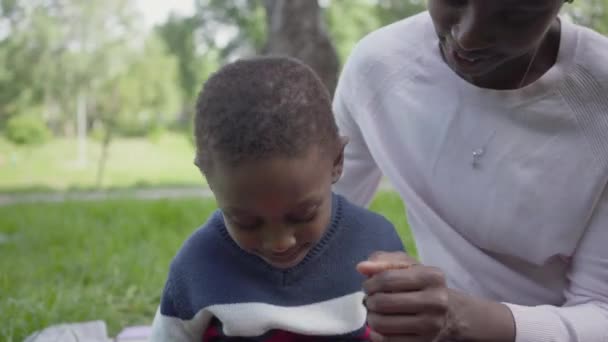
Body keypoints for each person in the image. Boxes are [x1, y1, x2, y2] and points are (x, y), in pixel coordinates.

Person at [333, 0, 608, 341]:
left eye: (514, 12)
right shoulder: (378, 69)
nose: (468, 38)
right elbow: (318, 220)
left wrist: (459, 319)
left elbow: (602, 310)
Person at [149, 56, 405, 341]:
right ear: (208, 178)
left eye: (302, 215)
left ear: (337, 160)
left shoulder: (375, 245)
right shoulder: (197, 266)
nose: (280, 243)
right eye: (246, 222)